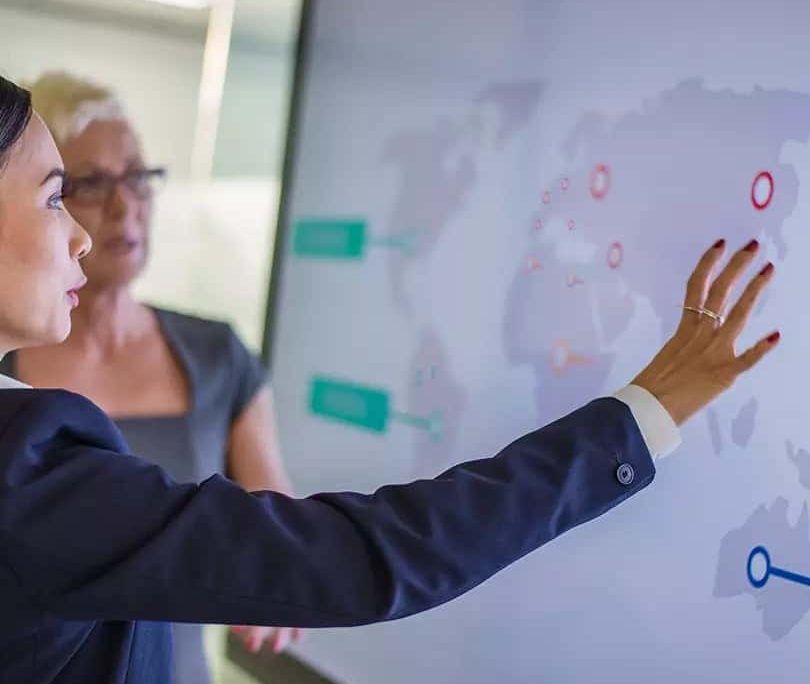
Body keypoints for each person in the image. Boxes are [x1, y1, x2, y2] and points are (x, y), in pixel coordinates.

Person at [0, 74, 779, 684]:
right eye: (56, 197)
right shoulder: (24, 468)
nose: (80, 235)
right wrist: (640, 416)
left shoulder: (193, 366)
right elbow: (361, 556)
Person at [0, 71, 299, 683]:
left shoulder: (218, 354)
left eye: (137, 177)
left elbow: (277, 520)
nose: (124, 206)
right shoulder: (9, 365)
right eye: (82, 187)